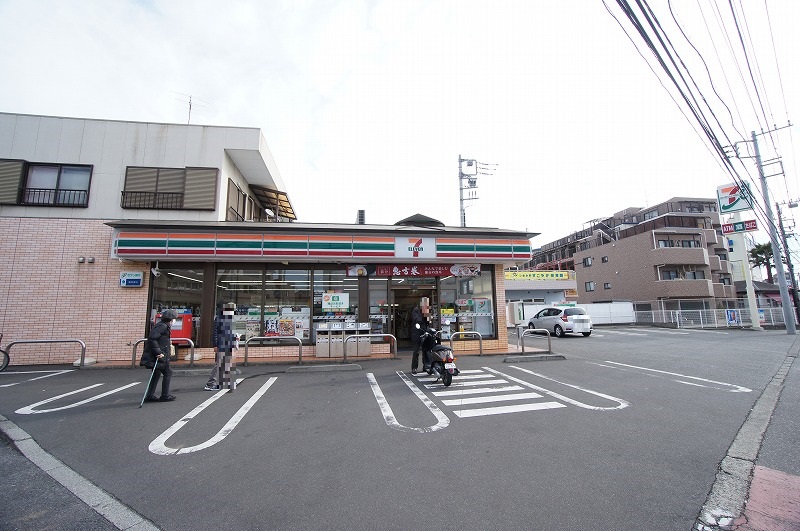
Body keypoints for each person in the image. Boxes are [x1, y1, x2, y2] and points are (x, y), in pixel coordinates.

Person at [140, 309, 177, 402]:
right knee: (168, 372)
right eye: (174, 319)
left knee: (156, 373)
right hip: (159, 355)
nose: (174, 321)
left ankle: (150, 395)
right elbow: (152, 339)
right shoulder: (163, 327)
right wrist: (158, 353)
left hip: (159, 354)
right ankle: (165, 395)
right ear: (170, 319)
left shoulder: (162, 326)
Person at [204, 304, 224, 391]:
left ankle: (219, 382)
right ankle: (210, 384)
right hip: (220, 344)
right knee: (218, 364)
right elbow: (215, 333)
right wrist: (215, 345)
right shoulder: (219, 318)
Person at [410, 306, 427, 374]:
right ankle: (414, 368)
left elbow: (428, 321)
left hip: (425, 331)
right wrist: (424, 316)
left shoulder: (426, 310)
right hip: (416, 333)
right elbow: (416, 320)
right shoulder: (416, 310)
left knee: (426, 350)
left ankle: (425, 366)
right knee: (416, 351)